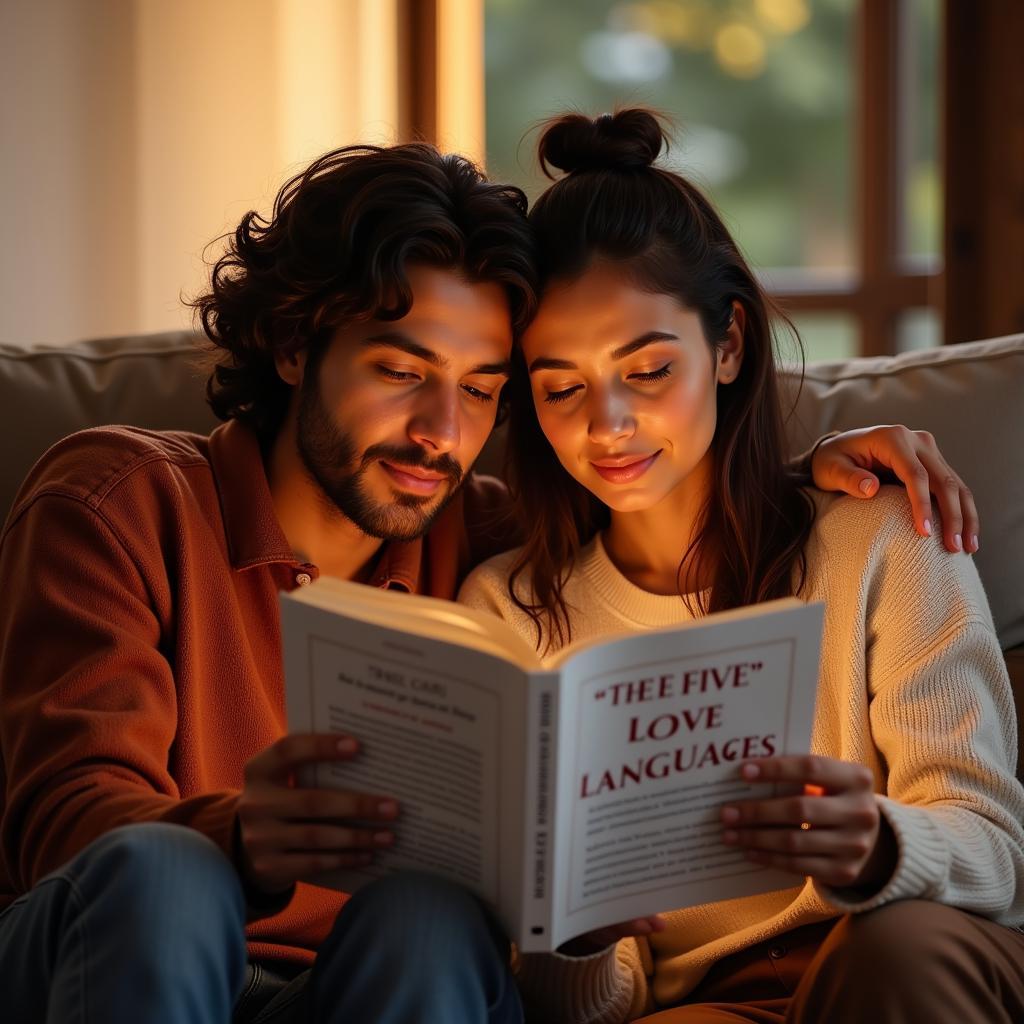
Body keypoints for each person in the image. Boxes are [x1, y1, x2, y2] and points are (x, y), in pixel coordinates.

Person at [0, 139, 986, 1024]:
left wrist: (807, 469)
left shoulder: (483, 537)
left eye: (481, 389)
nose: (443, 430)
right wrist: (240, 840)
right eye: (402, 369)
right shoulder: (117, 499)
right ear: (295, 345)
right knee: (170, 873)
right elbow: (67, 821)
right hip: (134, 948)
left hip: (359, 983)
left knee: (429, 914)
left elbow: (657, 515)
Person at [457, 109, 1024, 1024]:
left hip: (908, 953)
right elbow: (573, 1006)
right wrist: (577, 936)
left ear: (727, 344)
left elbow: (998, 855)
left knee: (895, 954)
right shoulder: (511, 612)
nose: (607, 425)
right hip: (710, 1002)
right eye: (560, 388)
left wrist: (875, 845)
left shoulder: (878, 531)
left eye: (646, 370)